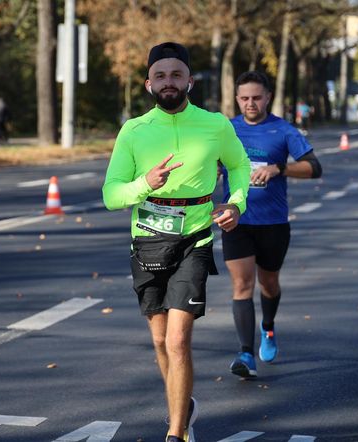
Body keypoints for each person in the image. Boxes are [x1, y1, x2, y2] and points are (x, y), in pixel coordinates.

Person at [103, 42, 251, 442]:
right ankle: (182, 405)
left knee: (177, 338)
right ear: (148, 83)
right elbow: (111, 194)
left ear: (189, 80)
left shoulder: (215, 125)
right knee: (158, 339)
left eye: (176, 74)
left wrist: (236, 203)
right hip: (148, 241)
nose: (169, 82)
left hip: (195, 239)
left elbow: (239, 166)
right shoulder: (133, 131)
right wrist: (144, 184)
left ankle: (176, 432)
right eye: (160, 76)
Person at [219, 71, 322, 379]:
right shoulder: (225, 130)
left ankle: (268, 327)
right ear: (237, 99)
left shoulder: (282, 130)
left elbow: (314, 168)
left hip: (273, 223)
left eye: (257, 97)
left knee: (269, 284)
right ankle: (245, 354)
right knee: (241, 285)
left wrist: (279, 168)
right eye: (245, 98)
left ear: (267, 98)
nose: (251, 103)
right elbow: (208, 167)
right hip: (236, 220)